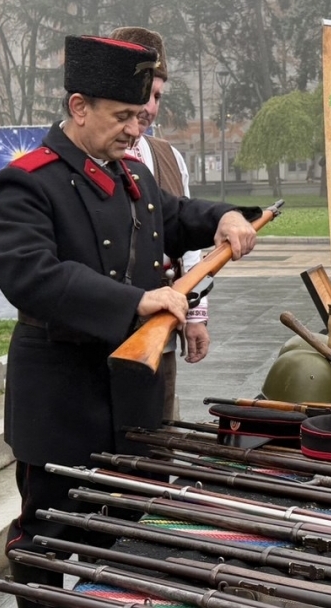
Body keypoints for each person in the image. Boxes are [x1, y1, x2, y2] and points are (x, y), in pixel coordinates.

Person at [0, 35, 257, 605]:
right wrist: (134, 301)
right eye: (122, 116)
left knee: (129, 534)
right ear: (78, 107)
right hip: (62, 399)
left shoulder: (132, 176)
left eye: (140, 115)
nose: (137, 130)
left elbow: (179, 215)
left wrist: (227, 216)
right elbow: (28, 274)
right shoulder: (28, 181)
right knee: (47, 538)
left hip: (131, 398)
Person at [110, 26, 206, 422]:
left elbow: (191, 244)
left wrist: (197, 317)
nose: (148, 108)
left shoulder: (169, 157)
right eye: (142, 94)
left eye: (157, 96)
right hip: (106, 323)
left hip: (161, 322)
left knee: (157, 427)